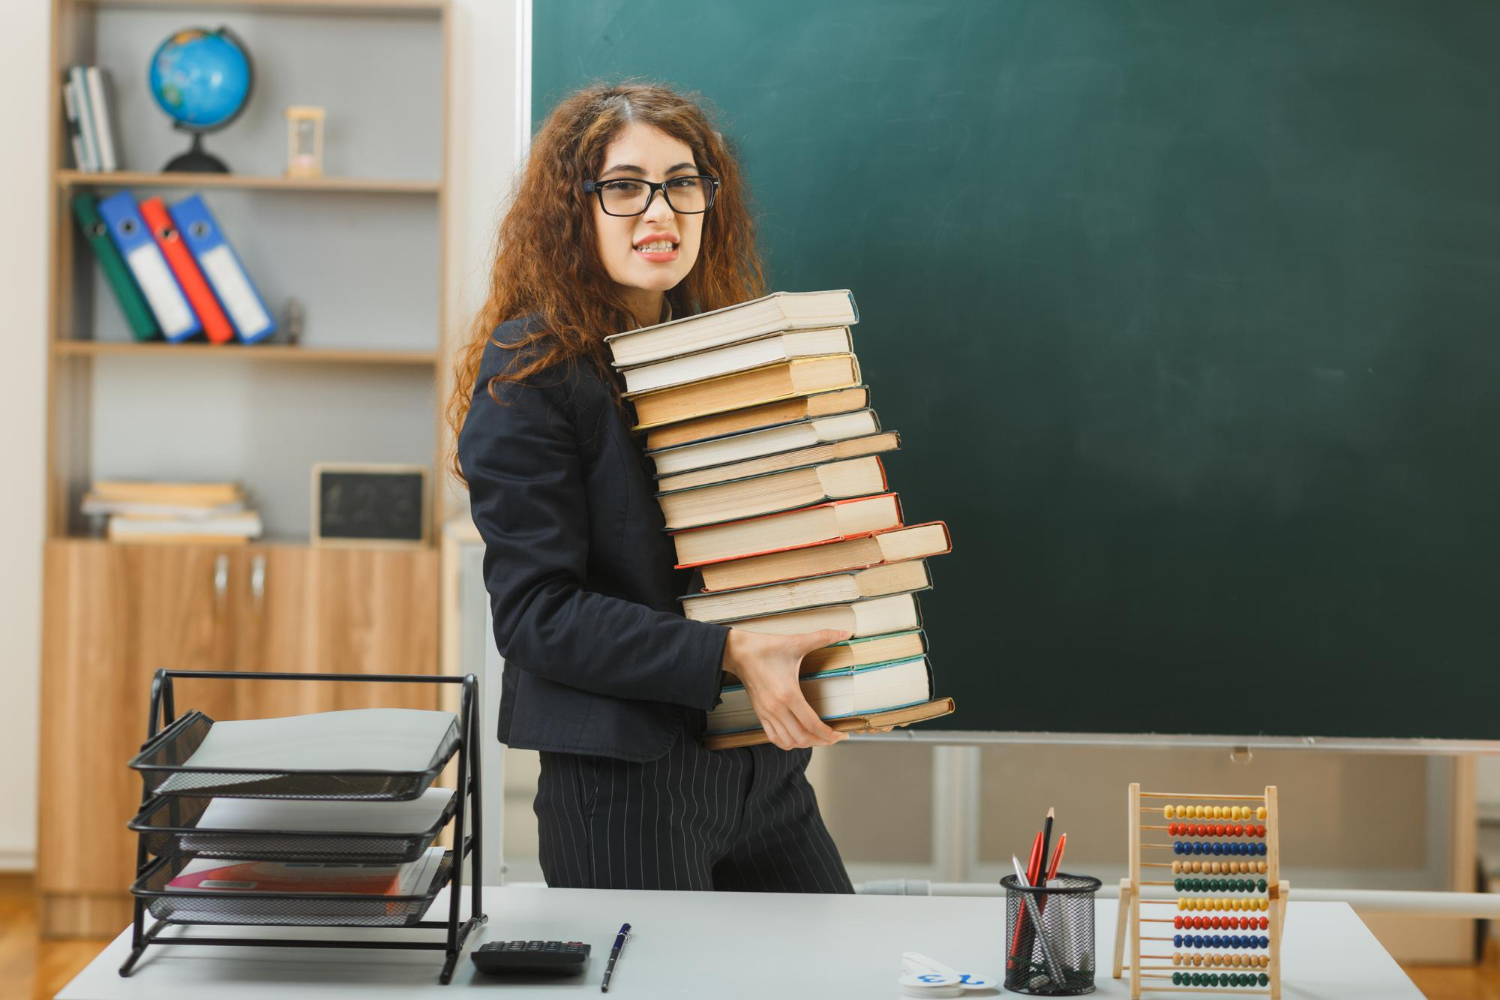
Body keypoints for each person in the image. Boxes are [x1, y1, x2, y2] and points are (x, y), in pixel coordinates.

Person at [449, 82, 855, 893]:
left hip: (757, 768)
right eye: (625, 186)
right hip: (626, 784)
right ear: (576, 207)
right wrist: (731, 648)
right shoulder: (531, 366)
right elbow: (535, 616)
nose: (660, 212)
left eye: (683, 183)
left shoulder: (706, 345)